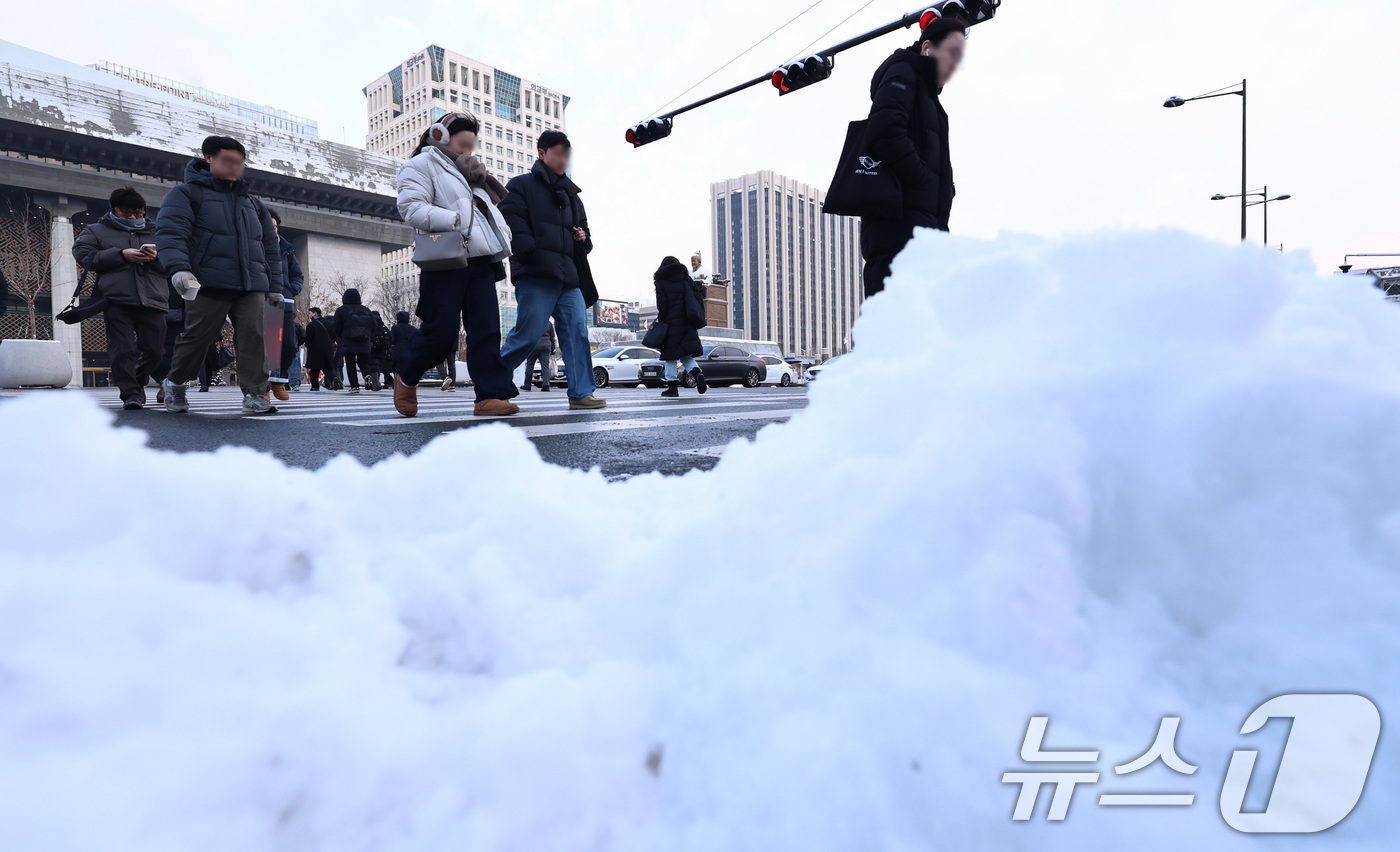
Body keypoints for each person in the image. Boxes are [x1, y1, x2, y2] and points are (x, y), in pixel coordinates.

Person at [392, 111, 520, 418]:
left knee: (487, 330)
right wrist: (454, 220)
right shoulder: (420, 165)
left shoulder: (474, 174)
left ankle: (489, 396)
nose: (467, 152)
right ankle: (407, 375)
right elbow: (411, 207)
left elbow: (490, 215)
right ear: (441, 136)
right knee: (441, 332)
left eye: (471, 146)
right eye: (462, 144)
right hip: (445, 257)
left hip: (480, 260)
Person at [156, 135, 283, 415]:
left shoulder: (253, 204)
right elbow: (171, 233)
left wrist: (275, 286)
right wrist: (179, 268)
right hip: (207, 281)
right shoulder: (186, 194)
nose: (234, 167)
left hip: (251, 285)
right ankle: (175, 383)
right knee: (198, 337)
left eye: (239, 162)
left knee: (254, 337)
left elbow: (269, 248)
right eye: (228, 160)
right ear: (209, 158)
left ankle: (254, 394)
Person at [497, 131, 606, 411]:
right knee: (528, 334)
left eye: (566, 155)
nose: (562, 160)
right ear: (542, 153)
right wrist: (530, 251)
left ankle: (581, 392)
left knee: (577, 334)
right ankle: (495, 386)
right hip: (536, 274)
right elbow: (512, 224)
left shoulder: (572, 195)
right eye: (557, 153)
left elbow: (586, 239)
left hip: (569, 278)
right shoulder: (521, 186)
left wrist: (583, 238)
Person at [860, 13, 966, 297]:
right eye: (952, 53)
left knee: (918, 329)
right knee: (895, 329)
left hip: (920, 233)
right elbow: (885, 131)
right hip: (898, 232)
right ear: (928, 47)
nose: (955, 64)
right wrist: (922, 179)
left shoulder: (929, 97)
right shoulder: (903, 72)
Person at [72, 187, 170, 409]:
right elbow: (84, 255)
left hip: (153, 298)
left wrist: (155, 258)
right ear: (114, 210)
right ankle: (131, 394)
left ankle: (138, 380)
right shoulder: (96, 230)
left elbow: (174, 263)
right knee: (121, 349)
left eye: (139, 213)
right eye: (127, 213)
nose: (134, 217)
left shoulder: (159, 232)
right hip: (116, 299)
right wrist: (120, 255)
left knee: (155, 350)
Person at [652, 256, 708, 398]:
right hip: (687, 323)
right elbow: (697, 297)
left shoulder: (661, 281)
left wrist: (662, 320)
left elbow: (662, 306)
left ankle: (672, 388)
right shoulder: (685, 279)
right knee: (686, 356)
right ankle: (697, 373)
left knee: (670, 357)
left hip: (671, 324)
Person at [266, 209, 304, 401]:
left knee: (289, 345)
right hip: (263, 301)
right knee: (268, 346)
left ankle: (278, 380)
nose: (272, 229)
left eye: (275, 226)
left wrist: (292, 289)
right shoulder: (256, 245)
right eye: (268, 225)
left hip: (286, 301)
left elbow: (298, 274)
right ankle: (262, 388)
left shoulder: (286, 249)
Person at [332, 288, 374, 394]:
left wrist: (340, 337)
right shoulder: (365, 309)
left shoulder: (341, 310)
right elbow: (374, 325)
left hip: (348, 340)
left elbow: (336, 327)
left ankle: (355, 386)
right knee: (363, 361)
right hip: (364, 340)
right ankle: (367, 375)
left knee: (350, 363)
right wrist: (369, 337)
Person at [304, 307, 335, 391]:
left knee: (314, 369)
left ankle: (315, 386)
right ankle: (335, 380)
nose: (309, 315)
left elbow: (308, 338)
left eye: (310, 313)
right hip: (328, 349)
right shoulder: (329, 323)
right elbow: (333, 336)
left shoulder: (312, 325)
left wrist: (307, 345)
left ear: (315, 314)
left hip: (315, 350)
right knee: (328, 368)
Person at [521, 320, 556, 392]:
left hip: (533, 345)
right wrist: (552, 348)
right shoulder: (548, 323)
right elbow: (552, 337)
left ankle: (527, 385)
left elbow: (525, 335)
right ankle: (546, 385)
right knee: (545, 366)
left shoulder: (531, 321)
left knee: (530, 365)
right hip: (546, 345)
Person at [368, 310, 392, 391]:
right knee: (380, 365)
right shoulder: (383, 326)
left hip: (372, 348)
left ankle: (375, 383)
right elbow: (391, 338)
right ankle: (383, 381)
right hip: (382, 349)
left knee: (373, 365)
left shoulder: (370, 325)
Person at [389, 310, 415, 384]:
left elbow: (392, 339)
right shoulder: (412, 328)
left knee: (396, 367)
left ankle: (398, 381)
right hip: (410, 350)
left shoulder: (395, 327)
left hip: (398, 350)